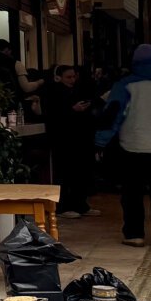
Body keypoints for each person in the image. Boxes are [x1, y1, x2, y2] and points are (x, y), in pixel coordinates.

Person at [105, 44, 151, 247]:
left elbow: (113, 115)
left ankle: (134, 233)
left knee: (132, 191)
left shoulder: (124, 85)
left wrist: (100, 140)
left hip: (133, 146)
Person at [40, 66, 98, 219]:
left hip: (79, 137)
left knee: (80, 173)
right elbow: (53, 115)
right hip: (63, 139)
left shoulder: (77, 90)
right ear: (59, 77)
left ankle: (80, 204)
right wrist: (73, 110)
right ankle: (63, 206)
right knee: (65, 173)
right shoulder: (53, 92)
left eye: (74, 77)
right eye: (68, 77)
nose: (72, 80)